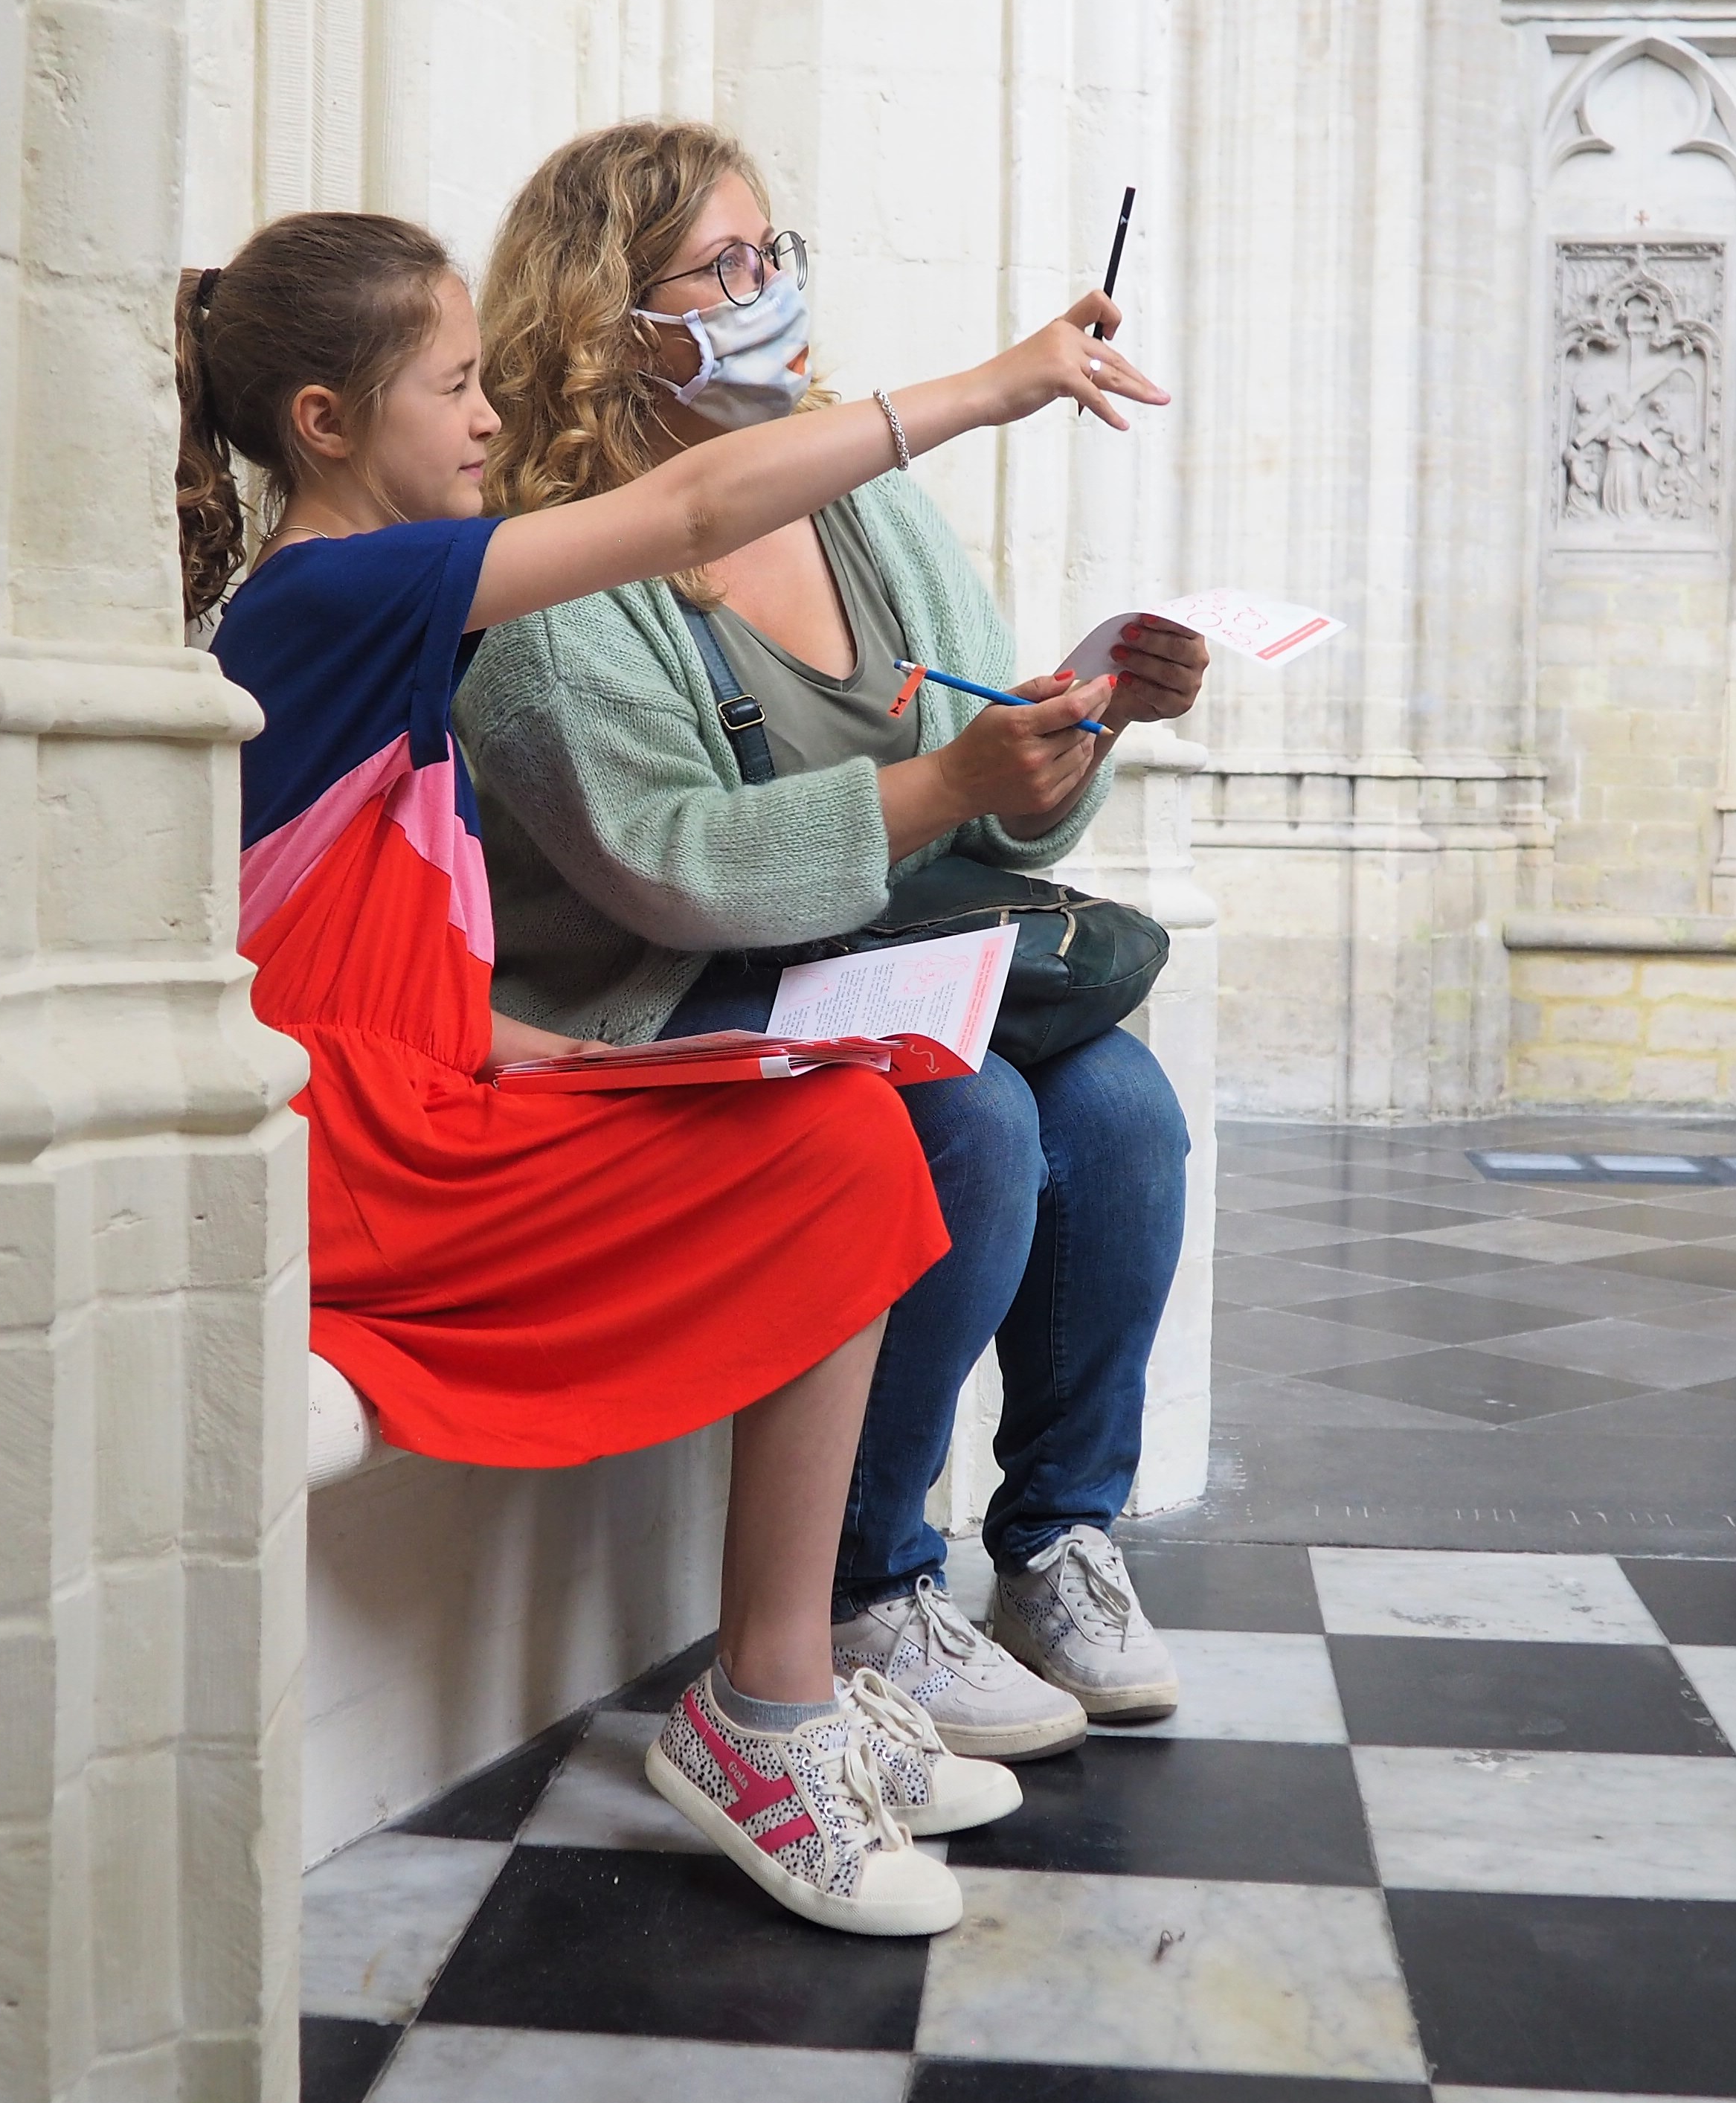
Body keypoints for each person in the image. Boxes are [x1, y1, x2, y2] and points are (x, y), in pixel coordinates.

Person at [176, 208, 1165, 1936]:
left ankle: (801, 1672)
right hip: (366, 1161)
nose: (486, 420)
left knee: (834, 1102)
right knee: (853, 1140)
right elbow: (694, 510)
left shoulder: (358, 615)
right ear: (326, 425)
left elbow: (326, 945)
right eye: (454, 384)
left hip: (418, 1096)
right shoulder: (337, 585)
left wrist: (554, 1057)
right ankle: (768, 1708)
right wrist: (1000, 385)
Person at [460, 121, 1206, 1767]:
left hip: (889, 959)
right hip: (659, 994)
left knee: (1122, 1107)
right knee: (973, 1117)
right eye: (722, 268)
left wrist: (1076, 734)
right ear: (608, 318)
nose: (768, 292)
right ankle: (873, 1579)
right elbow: (669, 871)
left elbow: (994, 807)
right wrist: (945, 779)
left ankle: (1056, 1542)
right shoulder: (551, 568)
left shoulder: (858, 503)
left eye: (774, 254)